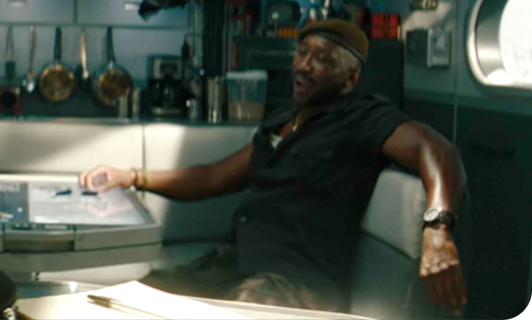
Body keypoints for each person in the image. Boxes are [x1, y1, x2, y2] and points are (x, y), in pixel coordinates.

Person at [80, 19, 468, 314]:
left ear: (351, 77)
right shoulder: (281, 121)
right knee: (117, 303)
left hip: (291, 283)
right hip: (226, 267)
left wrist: (437, 229)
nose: (303, 66)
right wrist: (130, 177)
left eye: (321, 59)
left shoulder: (363, 117)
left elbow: (438, 151)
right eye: (301, 53)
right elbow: (212, 177)